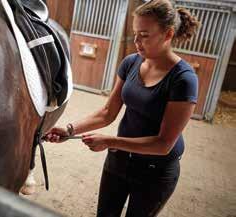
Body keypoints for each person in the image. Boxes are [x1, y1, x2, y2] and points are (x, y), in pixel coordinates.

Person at [45, 0, 200, 216]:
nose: (136, 41)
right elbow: (107, 112)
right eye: (135, 33)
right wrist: (70, 130)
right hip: (119, 160)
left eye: (144, 35)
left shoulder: (183, 79)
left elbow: (163, 144)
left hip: (156, 172)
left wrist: (109, 141)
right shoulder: (130, 63)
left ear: (168, 34)